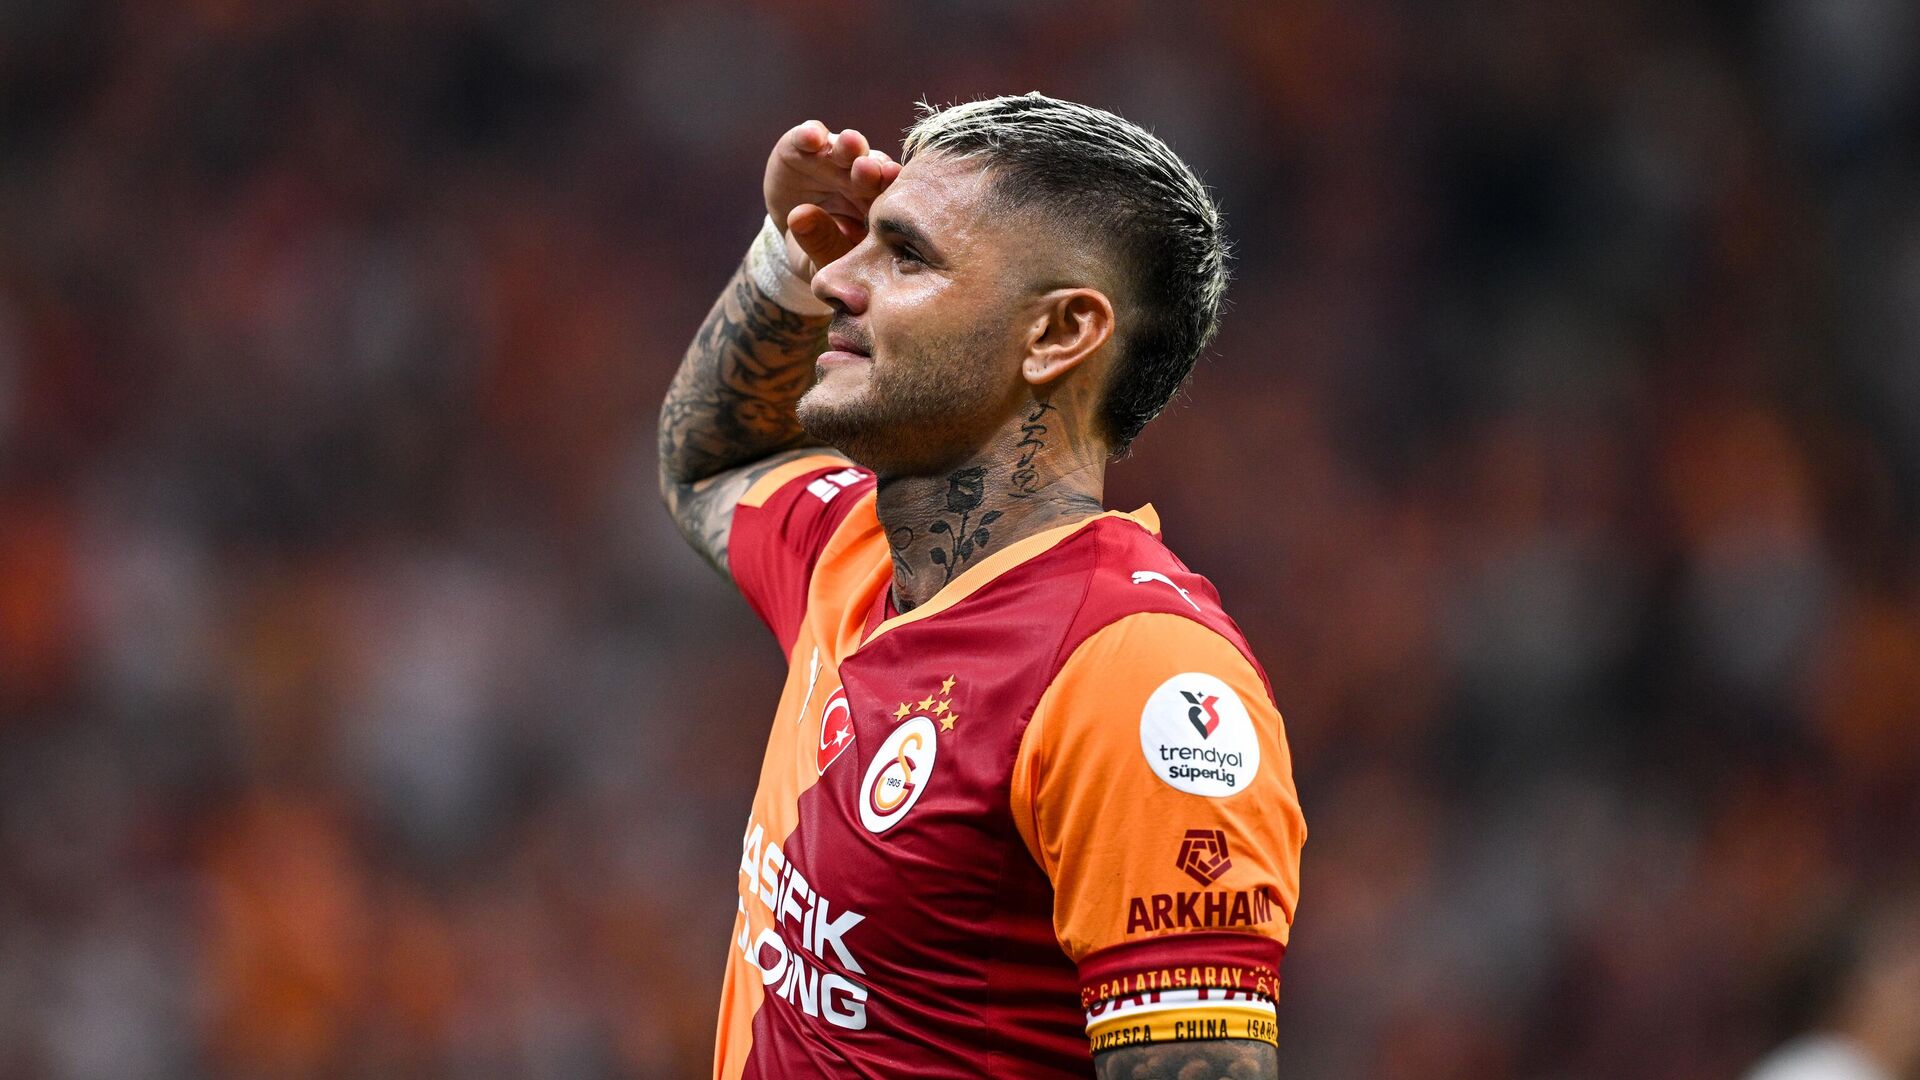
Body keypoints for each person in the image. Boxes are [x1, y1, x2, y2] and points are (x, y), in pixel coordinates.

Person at [658, 92, 1306, 1079]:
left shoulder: (1134, 674)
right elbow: (711, 461)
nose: (837, 281)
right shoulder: (854, 550)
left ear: (1058, 334)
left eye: (907, 256)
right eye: (855, 245)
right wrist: (782, 255)